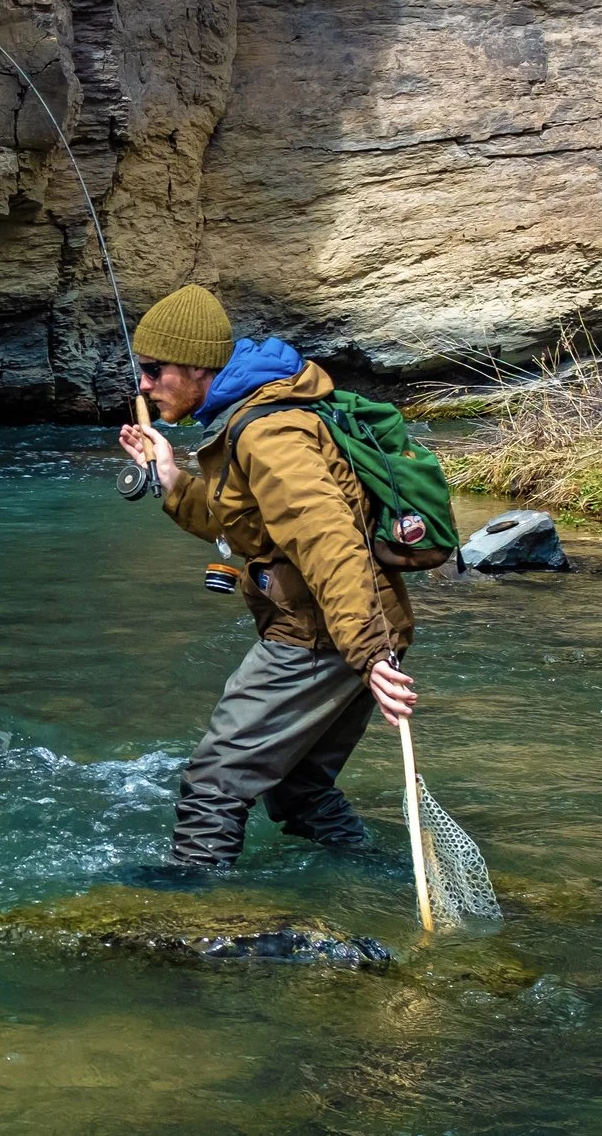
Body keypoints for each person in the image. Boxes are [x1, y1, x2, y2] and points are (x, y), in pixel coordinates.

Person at [115, 284, 419, 869]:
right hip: (348, 627)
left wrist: (370, 654)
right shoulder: (252, 415)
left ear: (199, 366)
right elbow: (252, 528)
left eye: (154, 370)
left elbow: (328, 539)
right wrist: (172, 478)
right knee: (297, 787)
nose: (144, 386)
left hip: (322, 635)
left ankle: (198, 923)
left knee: (213, 783)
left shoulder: (268, 432)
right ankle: (373, 880)